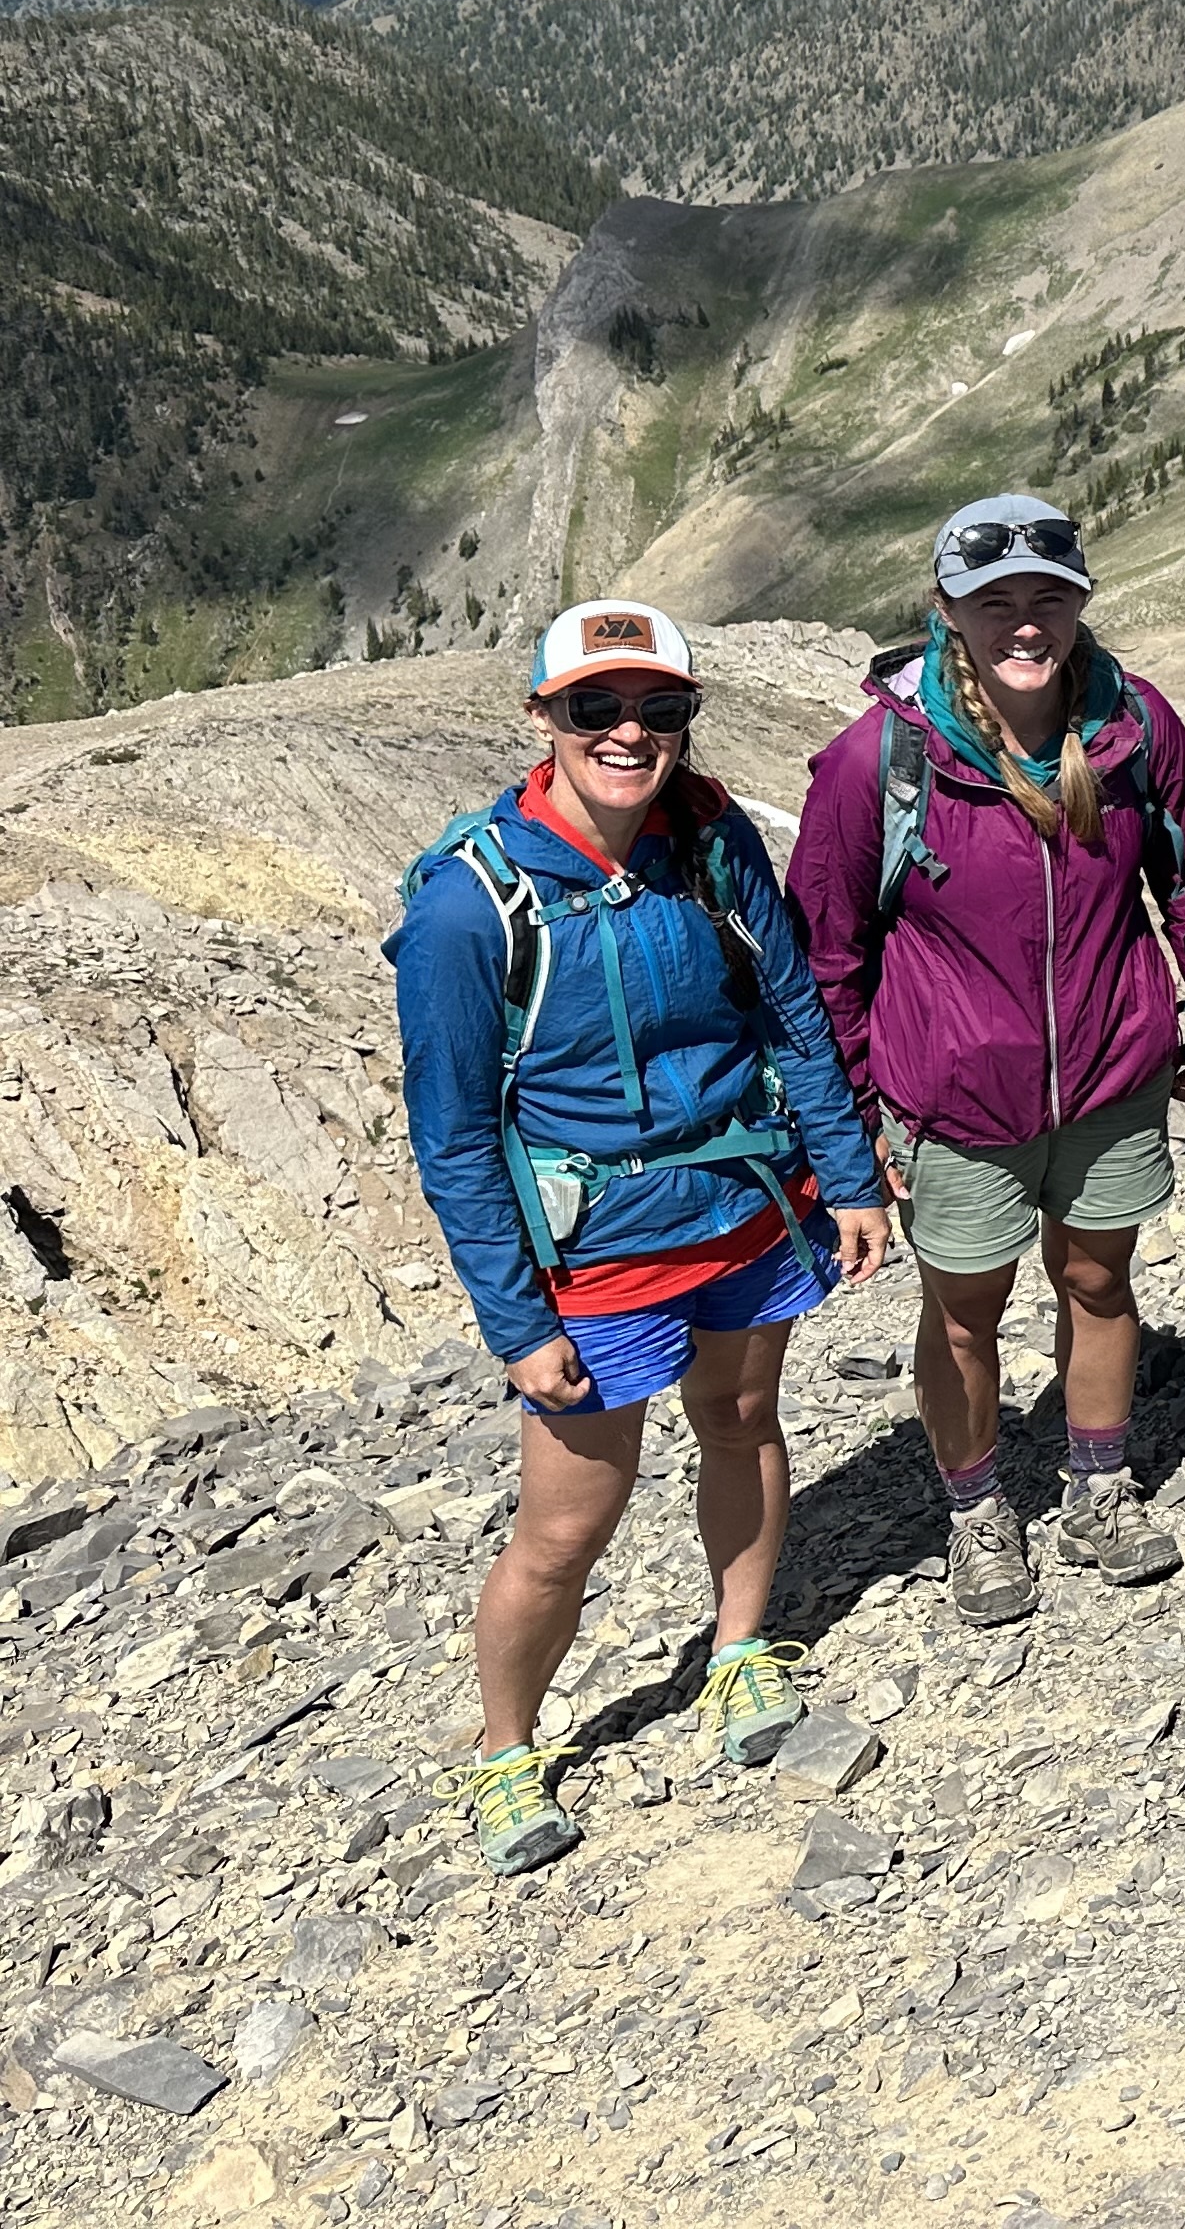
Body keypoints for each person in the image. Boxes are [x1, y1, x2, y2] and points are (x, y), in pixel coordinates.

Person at [389, 600, 894, 1877]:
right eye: (595, 708)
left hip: (746, 1212)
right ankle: (508, 1753)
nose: (628, 733)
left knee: (740, 1424)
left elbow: (788, 1012)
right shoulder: (467, 905)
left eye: (658, 709)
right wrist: (517, 1323)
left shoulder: (712, 841)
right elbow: (453, 1136)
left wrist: (849, 1177)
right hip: (599, 1258)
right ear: (542, 720)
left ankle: (736, 1657)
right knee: (566, 1526)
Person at [788, 496, 1185, 1630]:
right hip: (954, 1098)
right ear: (947, 609)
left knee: (1100, 1281)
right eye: (995, 601)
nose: (1024, 623)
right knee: (967, 1310)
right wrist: (854, 1109)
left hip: (1110, 1073)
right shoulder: (880, 760)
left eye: (1047, 597)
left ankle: (1098, 1486)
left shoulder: (1135, 726)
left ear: (1080, 601)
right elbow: (831, 949)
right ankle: (977, 1511)